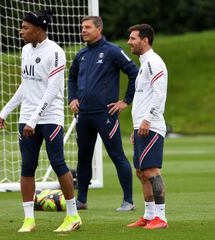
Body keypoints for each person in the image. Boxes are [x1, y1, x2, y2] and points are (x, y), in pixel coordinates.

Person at [0, 10, 81, 233]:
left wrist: (34, 119)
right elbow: (26, 85)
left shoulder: (55, 52)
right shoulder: (25, 50)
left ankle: (73, 215)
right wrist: (5, 111)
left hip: (50, 117)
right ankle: (29, 220)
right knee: (27, 166)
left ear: (39, 29)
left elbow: (52, 90)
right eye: (21, 27)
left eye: (25, 28)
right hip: (27, 118)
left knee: (57, 162)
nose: (21, 31)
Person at [68, 16, 138, 211]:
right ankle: (81, 200)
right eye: (82, 27)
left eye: (87, 27)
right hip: (84, 115)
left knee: (117, 156)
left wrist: (125, 101)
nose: (83, 30)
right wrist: (72, 98)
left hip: (105, 115)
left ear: (98, 29)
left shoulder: (113, 51)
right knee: (83, 157)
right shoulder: (81, 54)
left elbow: (134, 72)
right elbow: (71, 78)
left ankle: (128, 201)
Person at [126, 24, 168, 229]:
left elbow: (159, 93)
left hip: (151, 125)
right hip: (141, 126)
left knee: (152, 171)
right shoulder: (144, 63)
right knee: (141, 172)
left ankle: (161, 217)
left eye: (133, 38)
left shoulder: (153, 62)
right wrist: (137, 127)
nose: (129, 42)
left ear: (145, 40)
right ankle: (149, 215)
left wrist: (147, 119)